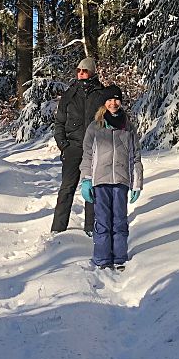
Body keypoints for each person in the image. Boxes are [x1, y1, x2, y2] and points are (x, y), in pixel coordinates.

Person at [79, 84, 143, 271]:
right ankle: (102, 259)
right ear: (103, 104)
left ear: (121, 102)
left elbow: (135, 156)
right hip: (100, 181)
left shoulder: (128, 128)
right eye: (109, 100)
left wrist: (137, 183)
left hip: (121, 181)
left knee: (120, 221)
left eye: (116, 99)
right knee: (103, 220)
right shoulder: (95, 128)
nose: (113, 103)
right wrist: (86, 179)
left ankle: (120, 257)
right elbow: (87, 156)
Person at [51, 56, 104, 235]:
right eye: (79, 71)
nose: (81, 74)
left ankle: (91, 228)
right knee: (67, 188)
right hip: (72, 147)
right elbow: (59, 122)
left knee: (93, 189)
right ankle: (57, 229)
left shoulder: (101, 94)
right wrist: (63, 146)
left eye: (85, 71)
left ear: (92, 72)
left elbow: (108, 120)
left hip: (95, 148)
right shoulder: (69, 94)